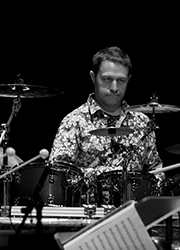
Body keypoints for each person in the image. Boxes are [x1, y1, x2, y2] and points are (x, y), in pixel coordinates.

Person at [48, 46, 163, 203]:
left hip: (134, 211)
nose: (114, 88)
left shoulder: (142, 123)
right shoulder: (74, 121)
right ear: (93, 77)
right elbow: (58, 173)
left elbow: (155, 170)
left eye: (121, 81)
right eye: (107, 79)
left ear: (129, 80)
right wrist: (107, 174)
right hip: (88, 212)